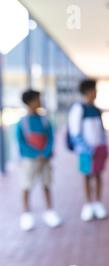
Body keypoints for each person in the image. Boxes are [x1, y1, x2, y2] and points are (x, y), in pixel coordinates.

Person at [16, 89, 61, 231]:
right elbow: (21, 143)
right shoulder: (22, 123)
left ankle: (49, 211)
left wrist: (45, 153)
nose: (40, 102)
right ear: (29, 102)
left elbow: (51, 138)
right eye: (37, 99)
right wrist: (36, 154)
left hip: (45, 160)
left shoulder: (45, 120)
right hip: (30, 161)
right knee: (26, 185)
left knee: (46, 183)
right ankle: (26, 213)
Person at [68, 79, 109, 222]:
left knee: (98, 175)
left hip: (99, 148)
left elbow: (102, 131)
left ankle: (98, 203)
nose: (95, 93)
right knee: (86, 175)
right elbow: (75, 132)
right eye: (93, 90)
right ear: (86, 91)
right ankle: (88, 204)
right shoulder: (79, 109)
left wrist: (105, 146)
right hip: (85, 151)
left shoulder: (96, 110)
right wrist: (86, 149)